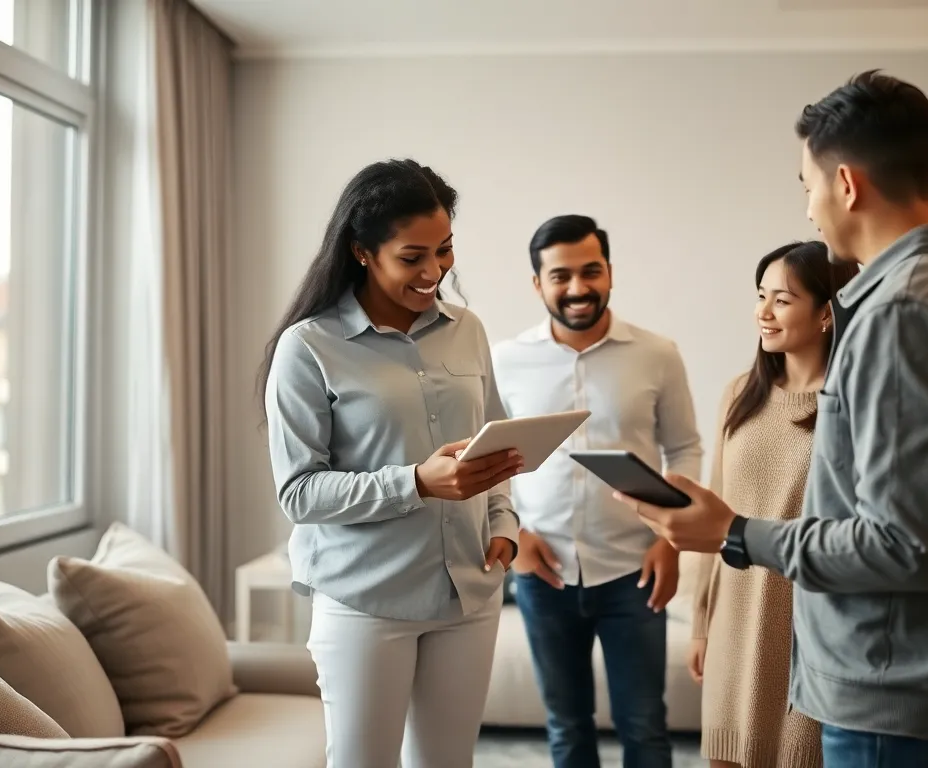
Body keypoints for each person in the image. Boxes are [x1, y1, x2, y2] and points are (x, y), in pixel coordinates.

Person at [615, 70, 928, 768]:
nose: (809, 209)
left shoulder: (902, 312)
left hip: (897, 705)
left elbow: (902, 546)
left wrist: (733, 533)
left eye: (806, 185)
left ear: (845, 184)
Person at [260, 159, 524, 768]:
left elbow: (493, 447)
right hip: (365, 600)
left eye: (445, 250)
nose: (435, 271)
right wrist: (415, 483)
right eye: (412, 257)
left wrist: (505, 527)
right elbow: (299, 493)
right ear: (362, 252)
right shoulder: (308, 347)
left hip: (468, 595)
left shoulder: (468, 330)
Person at [491, 214, 703, 768]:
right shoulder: (505, 360)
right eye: (560, 276)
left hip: (636, 569)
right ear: (537, 283)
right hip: (543, 574)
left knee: (645, 727)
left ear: (609, 272)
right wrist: (514, 535)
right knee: (566, 728)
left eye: (590, 271)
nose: (578, 287)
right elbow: (488, 462)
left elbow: (684, 449)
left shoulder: (658, 354)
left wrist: (670, 540)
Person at [690, 241, 856, 768]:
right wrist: (701, 623)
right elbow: (716, 510)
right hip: (734, 621)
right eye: (761, 295)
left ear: (826, 312)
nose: (763, 311)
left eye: (782, 300)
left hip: (807, 630)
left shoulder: (852, 405)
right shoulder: (740, 393)